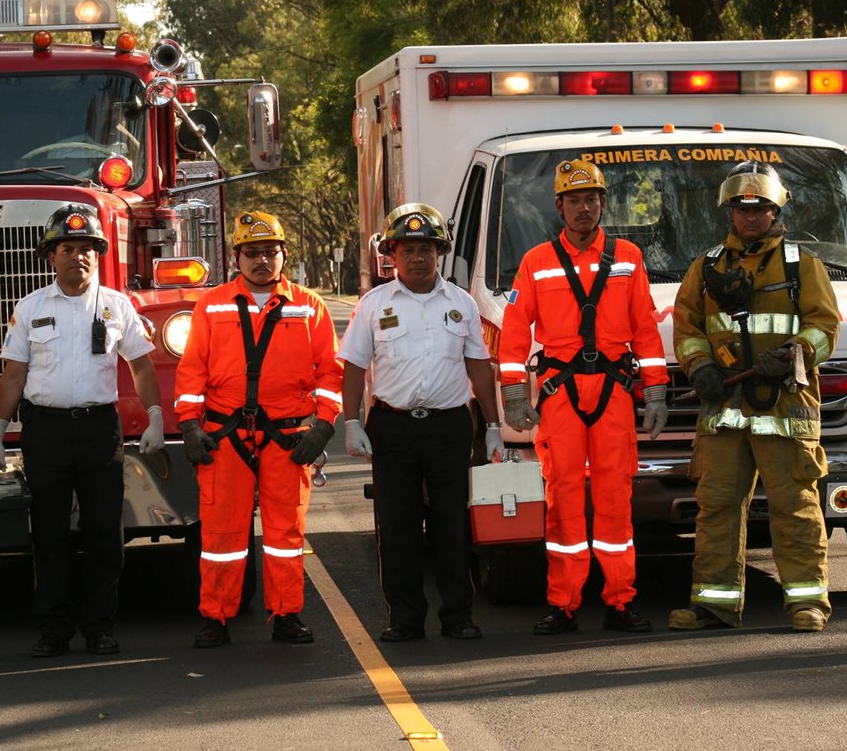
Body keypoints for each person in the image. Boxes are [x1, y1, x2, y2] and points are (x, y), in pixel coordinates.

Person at [0, 203, 165, 657]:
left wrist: (156, 417)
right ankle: (53, 630)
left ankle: (100, 627)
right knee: (48, 535)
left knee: (105, 533)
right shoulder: (29, 309)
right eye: (68, 248)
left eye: (87, 249)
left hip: (99, 431)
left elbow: (141, 367)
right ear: (51, 256)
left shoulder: (117, 306)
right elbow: (12, 375)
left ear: (98, 255)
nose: (78, 257)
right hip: (44, 431)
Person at [499, 159, 668, 635]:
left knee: (615, 498)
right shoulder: (536, 262)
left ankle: (620, 602)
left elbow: (645, 332)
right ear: (559, 206)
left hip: (613, 392)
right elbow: (514, 334)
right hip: (560, 394)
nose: (583, 208)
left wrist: (654, 392)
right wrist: (514, 394)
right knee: (563, 499)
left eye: (591, 199)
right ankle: (563, 603)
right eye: (574, 200)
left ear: (603, 204)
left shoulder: (629, 257)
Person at [669, 161, 839, 632]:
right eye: (742, 209)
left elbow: (825, 326)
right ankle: (713, 604)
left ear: (775, 208)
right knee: (717, 506)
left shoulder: (802, 264)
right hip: (724, 409)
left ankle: (807, 603)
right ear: (730, 212)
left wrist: (795, 352)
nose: (750, 217)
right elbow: (688, 327)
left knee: (795, 505)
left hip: (784, 407)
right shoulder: (705, 267)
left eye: (759, 208)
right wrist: (699, 365)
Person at [174, 210, 342, 648]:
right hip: (223, 435)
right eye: (252, 252)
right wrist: (190, 428)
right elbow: (192, 371)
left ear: (285, 254)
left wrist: (323, 427)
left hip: (287, 438)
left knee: (286, 534)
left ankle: (287, 614)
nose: (262, 261)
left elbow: (331, 372)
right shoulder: (211, 305)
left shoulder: (309, 305)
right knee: (220, 535)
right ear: (237, 257)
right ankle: (216, 617)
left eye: (270, 252)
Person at [339, 203, 502, 642]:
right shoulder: (373, 305)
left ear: (439, 254)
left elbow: (479, 367)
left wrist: (492, 427)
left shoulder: (462, 303)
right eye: (407, 249)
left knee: (453, 525)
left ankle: (458, 616)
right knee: (398, 528)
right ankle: (405, 618)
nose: (417, 258)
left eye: (426, 249)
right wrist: (351, 422)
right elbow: (354, 367)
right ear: (392, 255)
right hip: (392, 429)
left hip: (450, 427)